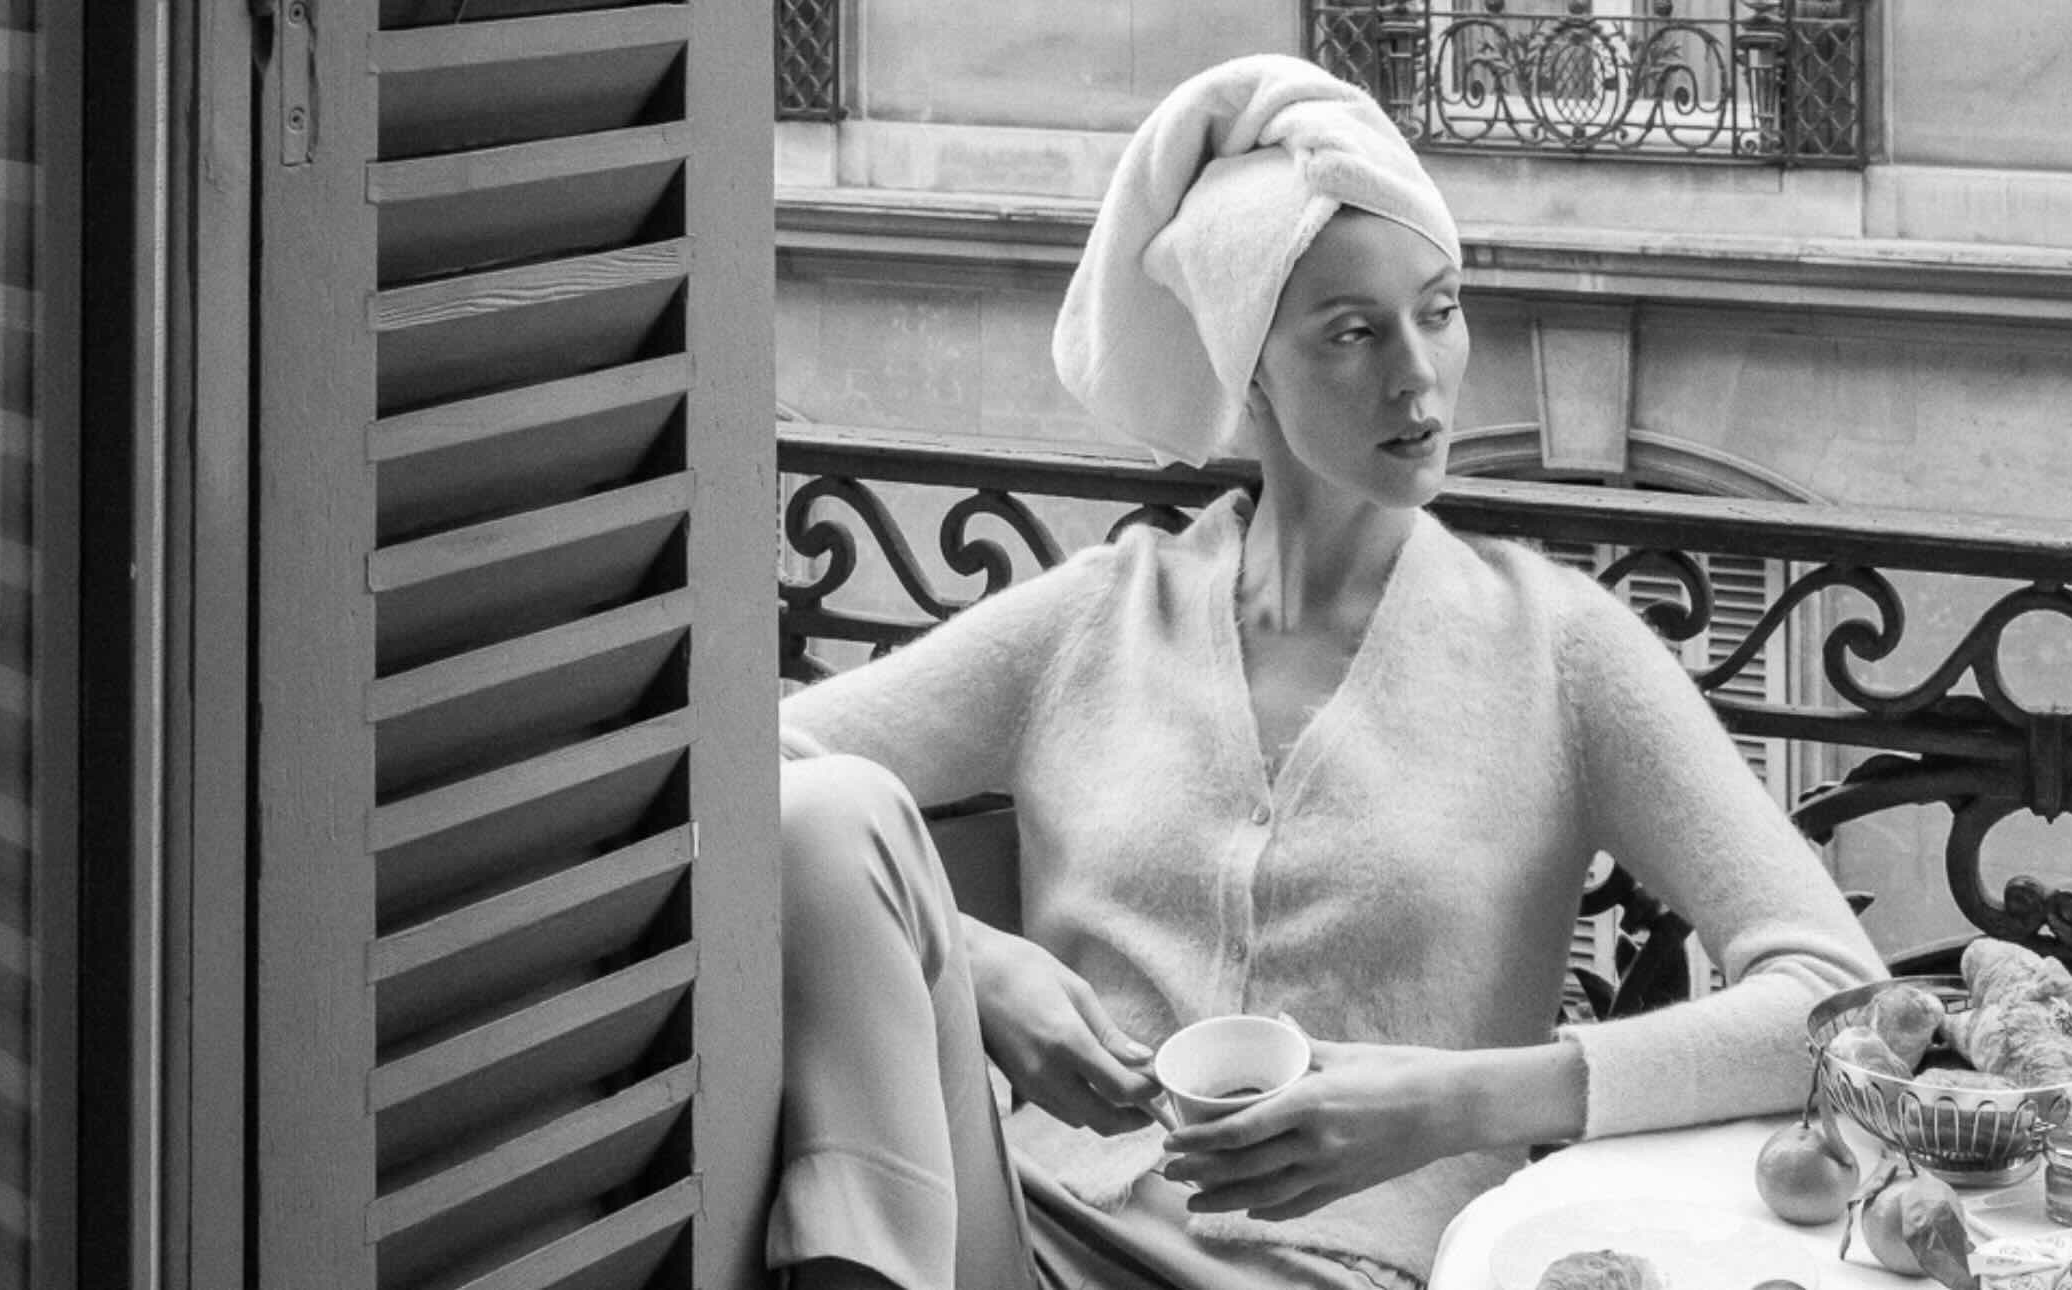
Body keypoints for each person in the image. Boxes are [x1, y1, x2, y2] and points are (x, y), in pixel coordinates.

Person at [771, 53, 1887, 1290]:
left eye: (1441, 307)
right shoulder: (1100, 619)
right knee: (822, 815)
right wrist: (983, 971)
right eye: (1353, 332)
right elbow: (753, 766)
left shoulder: (1560, 650)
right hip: (1028, 1240)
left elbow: (1838, 1003)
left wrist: (1454, 1106)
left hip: (1349, 1276)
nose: (1419, 373)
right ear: (1248, 368)